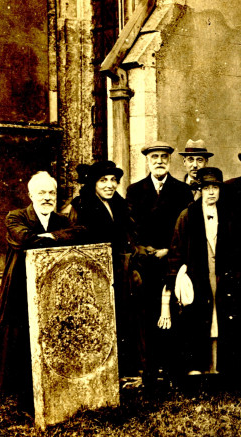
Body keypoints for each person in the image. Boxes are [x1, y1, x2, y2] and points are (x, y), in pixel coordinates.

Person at [0, 172, 78, 412]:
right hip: (20, 284)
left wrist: (52, 235)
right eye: (41, 193)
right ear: (30, 195)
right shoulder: (16, 216)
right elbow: (24, 239)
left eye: (51, 193)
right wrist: (56, 239)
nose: (47, 198)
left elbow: (79, 233)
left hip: (53, 284)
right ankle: (22, 392)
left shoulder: (62, 220)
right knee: (20, 336)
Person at [126, 140, 193, 385]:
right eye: (154, 157)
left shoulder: (182, 191)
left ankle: (173, 370)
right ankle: (149, 370)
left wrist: (168, 249)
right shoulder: (135, 190)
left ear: (169, 160)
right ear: (147, 161)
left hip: (172, 260)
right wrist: (144, 249)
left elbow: (185, 227)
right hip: (145, 264)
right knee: (147, 314)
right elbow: (131, 228)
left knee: (174, 313)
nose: (159, 161)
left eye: (163, 157)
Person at [167, 167, 241, 381]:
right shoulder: (187, 215)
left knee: (221, 316)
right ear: (199, 190)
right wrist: (177, 277)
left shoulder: (229, 214)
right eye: (206, 188)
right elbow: (176, 250)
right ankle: (197, 367)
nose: (211, 192)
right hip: (197, 276)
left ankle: (219, 367)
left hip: (222, 276)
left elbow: (238, 250)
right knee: (197, 318)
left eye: (215, 188)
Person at [68, 160, 141, 378]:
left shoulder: (118, 205)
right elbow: (78, 238)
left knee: (124, 319)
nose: (109, 185)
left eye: (113, 180)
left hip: (120, 271)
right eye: (103, 181)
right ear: (93, 184)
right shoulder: (81, 205)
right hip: (97, 273)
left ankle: (124, 370)